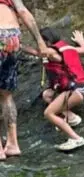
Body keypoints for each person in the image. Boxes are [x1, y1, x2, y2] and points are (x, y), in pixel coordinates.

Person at [23, 27, 84, 151]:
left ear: (46, 41)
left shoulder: (53, 53)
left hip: (75, 91)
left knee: (49, 113)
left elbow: (37, 53)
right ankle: (72, 118)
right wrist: (81, 41)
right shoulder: (68, 48)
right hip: (81, 89)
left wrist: (18, 45)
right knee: (47, 95)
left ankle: (75, 138)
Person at [0, 0, 48, 160]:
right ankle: (13, 144)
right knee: (6, 95)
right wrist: (40, 42)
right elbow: (23, 11)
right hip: (12, 37)